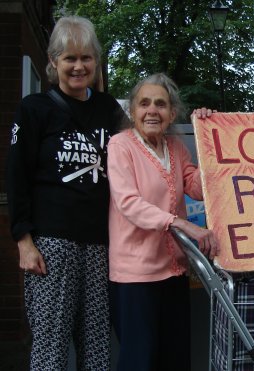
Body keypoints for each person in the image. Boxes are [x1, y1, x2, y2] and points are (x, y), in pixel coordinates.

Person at [7, 16, 124, 370]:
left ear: (96, 62)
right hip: (51, 244)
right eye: (69, 58)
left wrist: (203, 120)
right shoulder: (34, 109)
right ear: (54, 61)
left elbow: (146, 146)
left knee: (97, 343)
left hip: (101, 244)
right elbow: (16, 177)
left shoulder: (109, 110)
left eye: (86, 58)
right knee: (51, 344)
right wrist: (24, 241)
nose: (78, 66)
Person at [107, 73, 218, 371]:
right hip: (135, 276)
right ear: (132, 111)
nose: (152, 110)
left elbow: (196, 187)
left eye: (160, 104)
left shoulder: (177, 148)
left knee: (175, 357)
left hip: (174, 270)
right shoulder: (120, 145)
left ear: (171, 113)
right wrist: (180, 223)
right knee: (139, 361)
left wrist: (207, 135)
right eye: (144, 103)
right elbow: (128, 203)